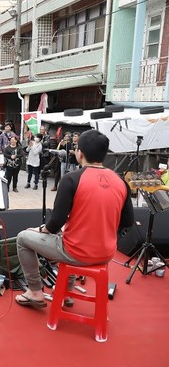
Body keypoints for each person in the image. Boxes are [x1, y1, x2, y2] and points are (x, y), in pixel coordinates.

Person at [14, 130, 134, 309]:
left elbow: (55, 224)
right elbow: (128, 222)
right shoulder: (120, 182)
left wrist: (41, 230)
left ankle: (35, 291)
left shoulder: (71, 179)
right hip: (106, 252)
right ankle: (65, 294)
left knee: (23, 238)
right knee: (64, 237)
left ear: (80, 153)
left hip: (76, 251)